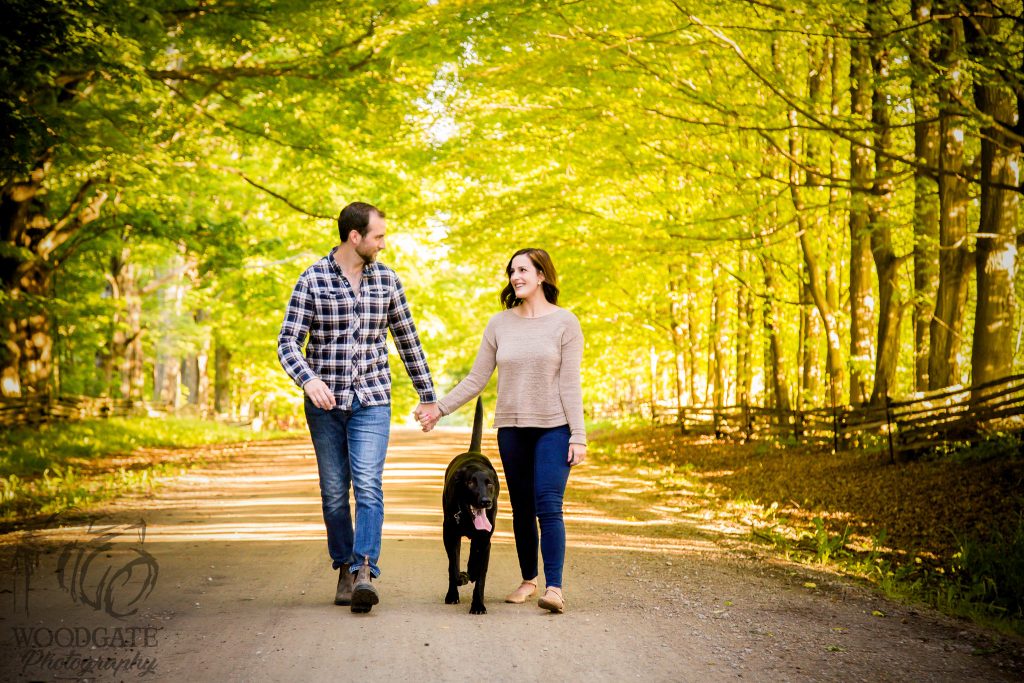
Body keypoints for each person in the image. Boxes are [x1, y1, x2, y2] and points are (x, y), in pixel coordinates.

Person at [278, 201, 437, 613]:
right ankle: (344, 567)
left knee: (368, 484)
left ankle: (365, 568)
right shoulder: (312, 279)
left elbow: (407, 340)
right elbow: (287, 343)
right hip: (325, 404)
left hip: (372, 399)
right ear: (355, 237)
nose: (383, 244)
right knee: (334, 494)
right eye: (378, 236)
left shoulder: (387, 281)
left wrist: (428, 396)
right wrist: (308, 380)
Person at [416, 248, 586, 614]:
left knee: (547, 504)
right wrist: (438, 408)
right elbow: (477, 379)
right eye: (512, 271)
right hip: (512, 428)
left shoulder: (565, 323)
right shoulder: (499, 323)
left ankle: (554, 587)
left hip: (554, 427)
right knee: (521, 508)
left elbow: (571, 383)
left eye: (523, 270)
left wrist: (579, 435)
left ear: (542, 275)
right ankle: (528, 580)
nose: (515, 276)